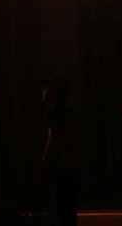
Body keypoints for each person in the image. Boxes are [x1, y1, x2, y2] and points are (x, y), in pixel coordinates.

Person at [42, 77, 84, 226]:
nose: (43, 92)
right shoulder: (73, 114)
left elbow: (53, 139)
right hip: (73, 166)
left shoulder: (54, 113)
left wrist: (46, 161)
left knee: (58, 208)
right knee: (69, 210)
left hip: (60, 166)